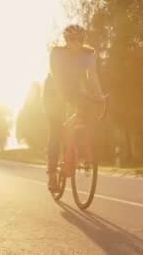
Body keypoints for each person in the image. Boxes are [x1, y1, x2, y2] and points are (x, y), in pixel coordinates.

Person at [43, 24, 106, 192]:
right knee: (55, 130)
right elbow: (56, 76)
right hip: (52, 91)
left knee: (87, 109)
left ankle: (78, 144)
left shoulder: (88, 55)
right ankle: (51, 175)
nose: (75, 43)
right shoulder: (57, 53)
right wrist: (62, 97)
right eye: (71, 40)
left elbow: (92, 76)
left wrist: (99, 96)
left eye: (79, 40)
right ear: (66, 40)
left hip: (72, 90)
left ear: (83, 41)